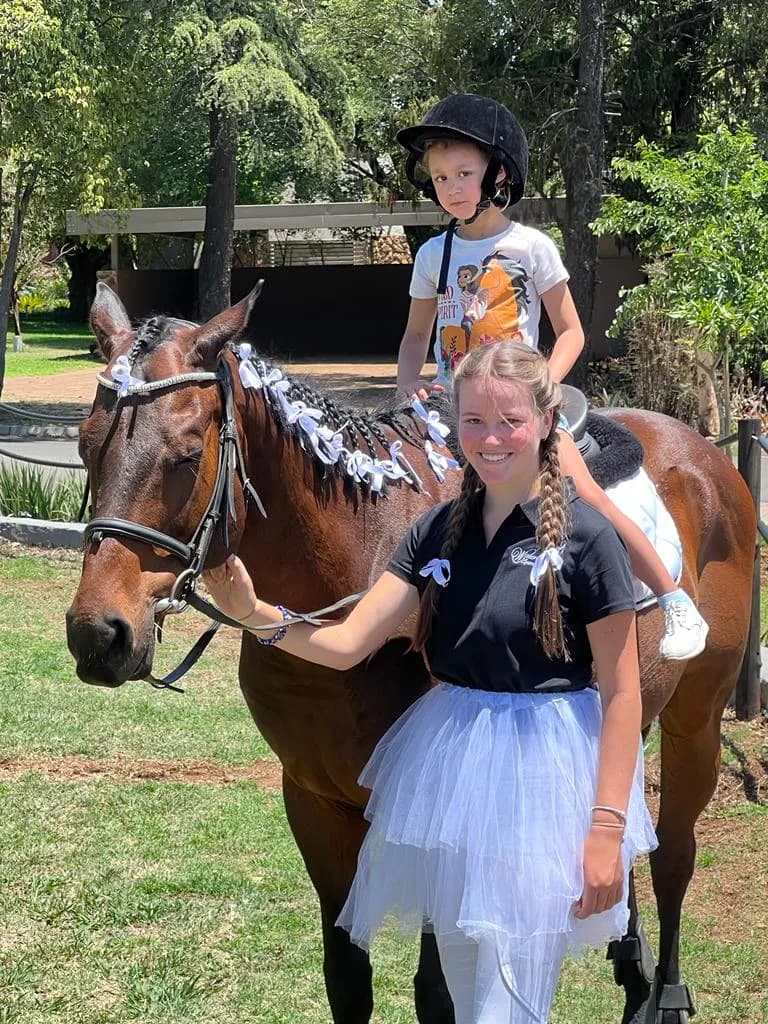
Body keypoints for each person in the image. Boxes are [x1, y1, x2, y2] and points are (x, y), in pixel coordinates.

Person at [204, 341, 658, 1024]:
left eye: (509, 420)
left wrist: (604, 830)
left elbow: (623, 694)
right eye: (472, 421)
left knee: (507, 994)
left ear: (545, 422)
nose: (490, 438)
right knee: (462, 966)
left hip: (541, 778)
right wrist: (256, 615)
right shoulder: (436, 532)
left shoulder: (588, 542)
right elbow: (347, 643)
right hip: (455, 771)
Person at [394, 92, 708, 661]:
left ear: (498, 174)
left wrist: (539, 392)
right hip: (449, 409)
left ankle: (671, 596)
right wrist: (405, 384)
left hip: (519, 407)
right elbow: (417, 336)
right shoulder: (431, 256)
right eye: (441, 178)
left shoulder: (530, 246)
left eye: (463, 173)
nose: (451, 187)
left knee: (587, 492)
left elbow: (571, 333)